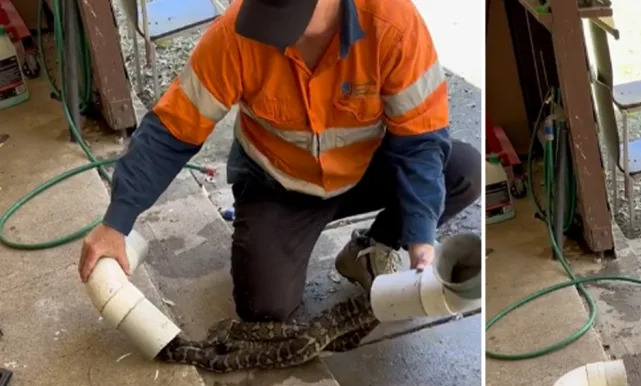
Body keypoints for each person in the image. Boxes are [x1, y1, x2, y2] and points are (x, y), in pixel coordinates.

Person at [77, 0, 480, 322]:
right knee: (265, 311)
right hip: (280, 186)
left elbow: (421, 141)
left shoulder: (392, 23)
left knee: (463, 169)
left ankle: (371, 250)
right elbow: (171, 131)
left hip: (367, 171)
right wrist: (117, 221)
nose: (276, 32)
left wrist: (421, 240)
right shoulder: (237, 33)